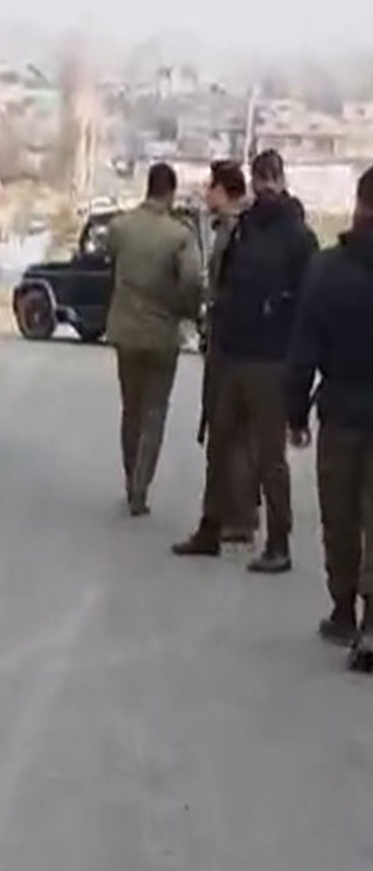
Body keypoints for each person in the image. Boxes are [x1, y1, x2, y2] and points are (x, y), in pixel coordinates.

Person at [173, 149, 316, 571]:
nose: (265, 187)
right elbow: (224, 284)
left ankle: (278, 541)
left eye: (269, 179)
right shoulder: (246, 229)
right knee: (221, 445)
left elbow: (306, 304)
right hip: (235, 352)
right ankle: (211, 527)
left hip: (271, 358)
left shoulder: (297, 236)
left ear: (280, 181)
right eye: (261, 179)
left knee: (268, 458)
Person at [285, 165, 373, 667]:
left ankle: (343, 610)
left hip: (340, 411)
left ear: (359, 205)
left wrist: (295, 414)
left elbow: (303, 353)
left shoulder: (326, 270)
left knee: (340, 515)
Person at [105, 162, 204, 515]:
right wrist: (188, 310)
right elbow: (192, 279)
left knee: (130, 408)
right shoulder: (179, 235)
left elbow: (110, 264)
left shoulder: (120, 227)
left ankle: (130, 474)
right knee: (154, 412)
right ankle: (140, 488)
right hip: (162, 334)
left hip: (125, 331)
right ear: (171, 191)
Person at [201, 159, 260, 543]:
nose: (206, 194)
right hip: (235, 340)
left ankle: (233, 516)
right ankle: (236, 512)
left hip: (230, 342)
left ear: (224, 190)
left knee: (229, 430)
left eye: (210, 187)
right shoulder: (238, 227)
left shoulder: (235, 232)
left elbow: (226, 285)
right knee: (234, 431)